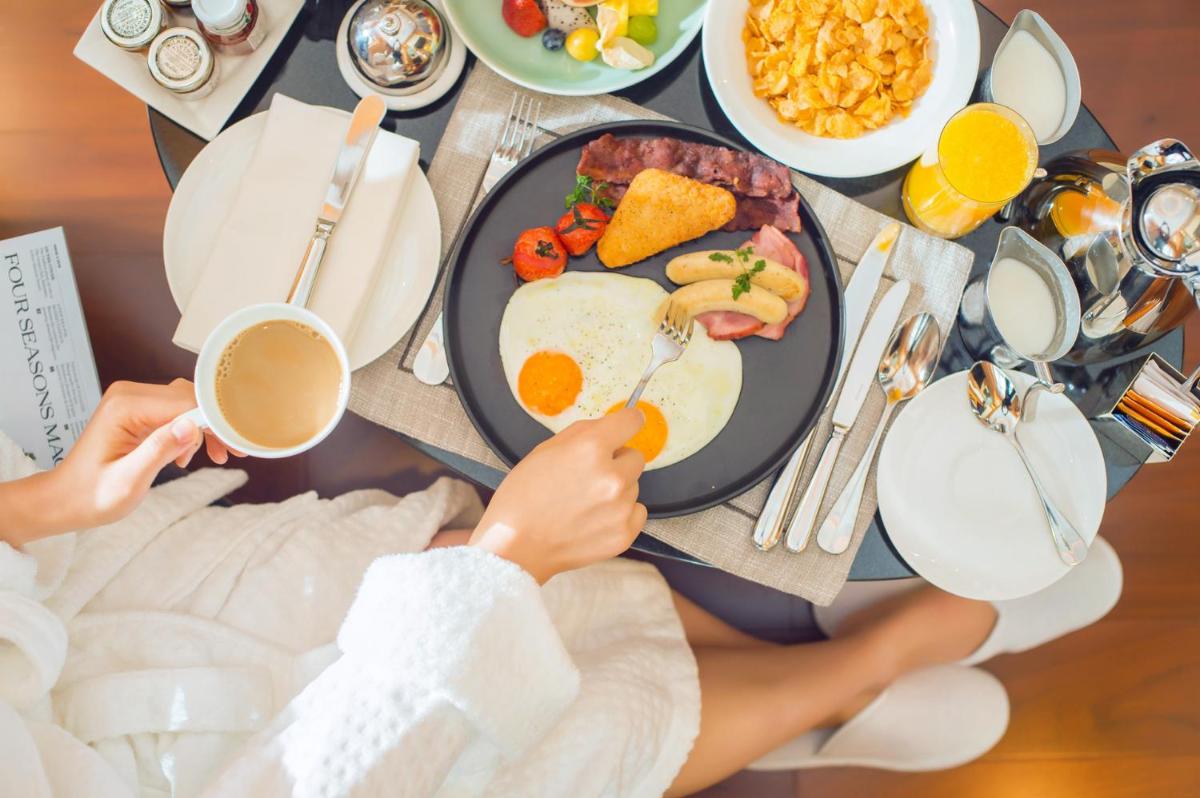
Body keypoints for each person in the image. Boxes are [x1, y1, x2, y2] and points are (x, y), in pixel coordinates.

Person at [0, 380, 1123, 797]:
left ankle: (809, 657)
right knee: (550, 724)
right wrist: (510, 559)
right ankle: (843, 679)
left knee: (414, 561)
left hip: (71, 597)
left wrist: (39, 510)